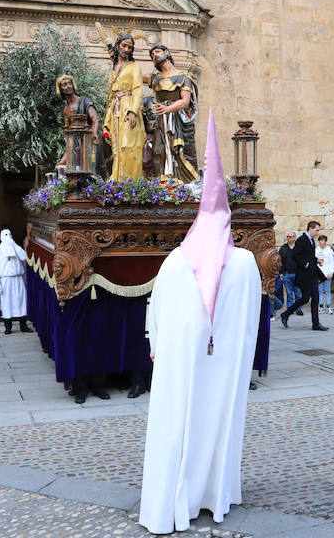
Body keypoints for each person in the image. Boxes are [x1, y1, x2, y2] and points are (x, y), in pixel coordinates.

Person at [139, 111, 259, 534]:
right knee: (219, 418)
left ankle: (173, 498)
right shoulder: (244, 264)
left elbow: (155, 313)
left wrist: (161, 347)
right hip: (224, 364)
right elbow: (250, 328)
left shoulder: (174, 261)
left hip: (182, 364)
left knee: (179, 420)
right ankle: (215, 493)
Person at [148, 44, 199, 182]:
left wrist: (168, 109)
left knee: (180, 151)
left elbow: (185, 101)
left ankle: (186, 183)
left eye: (157, 52)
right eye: (152, 55)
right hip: (161, 120)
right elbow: (134, 77)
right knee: (157, 150)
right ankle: (163, 182)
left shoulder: (183, 77)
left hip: (179, 120)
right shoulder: (155, 78)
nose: (155, 56)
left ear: (166, 53)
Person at [102, 33, 145, 180]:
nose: (126, 49)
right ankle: (118, 182)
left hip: (128, 108)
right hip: (115, 111)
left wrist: (133, 111)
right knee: (116, 149)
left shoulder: (134, 67)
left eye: (130, 47)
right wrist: (106, 123)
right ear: (117, 46)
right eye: (124, 46)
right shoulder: (113, 71)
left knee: (128, 146)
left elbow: (138, 89)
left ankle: (131, 183)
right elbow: (110, 98)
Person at [280, 221, 328, 331]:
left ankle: (315, 323)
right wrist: (305, 264)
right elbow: (294, 255)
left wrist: (316, 261)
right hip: (305, 275)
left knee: (312, 298)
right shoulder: (302, 240)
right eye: (316, 230)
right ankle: (286, 314)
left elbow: (308, 256)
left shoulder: (311, 240)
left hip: (312, 274)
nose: (317, 232)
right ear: (310, 229)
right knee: (306, 298)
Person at [0, 229, 30, 335]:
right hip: (5, 280)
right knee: (7, 303)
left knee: (22, 301)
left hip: (18, 279)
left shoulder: (17, 249)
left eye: (10, 235)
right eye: (6, 235)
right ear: (1, 237)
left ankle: (23, 325)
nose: (8, 237)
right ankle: (8, 327)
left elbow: (24, 257)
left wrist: (15, 245)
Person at [278, 231, 302, 316]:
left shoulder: (299, 248)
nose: (288, 238)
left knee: (298, 293)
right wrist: (282, 272)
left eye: (290, 237)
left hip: (297, 274)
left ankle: (299, 309)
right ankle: (290, 309)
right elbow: (280, 261)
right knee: (289, 293)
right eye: (287, 236)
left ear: (294, 238)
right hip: (287, 274)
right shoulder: (283, 248)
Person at [314, 235, 334, 314]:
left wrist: (331, 273)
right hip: (319, 274)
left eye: (322, 240)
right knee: (319, 291)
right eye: (319, 240)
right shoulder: (316, 250)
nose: (321, 242)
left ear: (325, 241)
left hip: (327, 274)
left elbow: (333, 262)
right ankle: (320, 306)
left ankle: (328, 306)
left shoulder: (329, 251)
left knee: (327, 290)